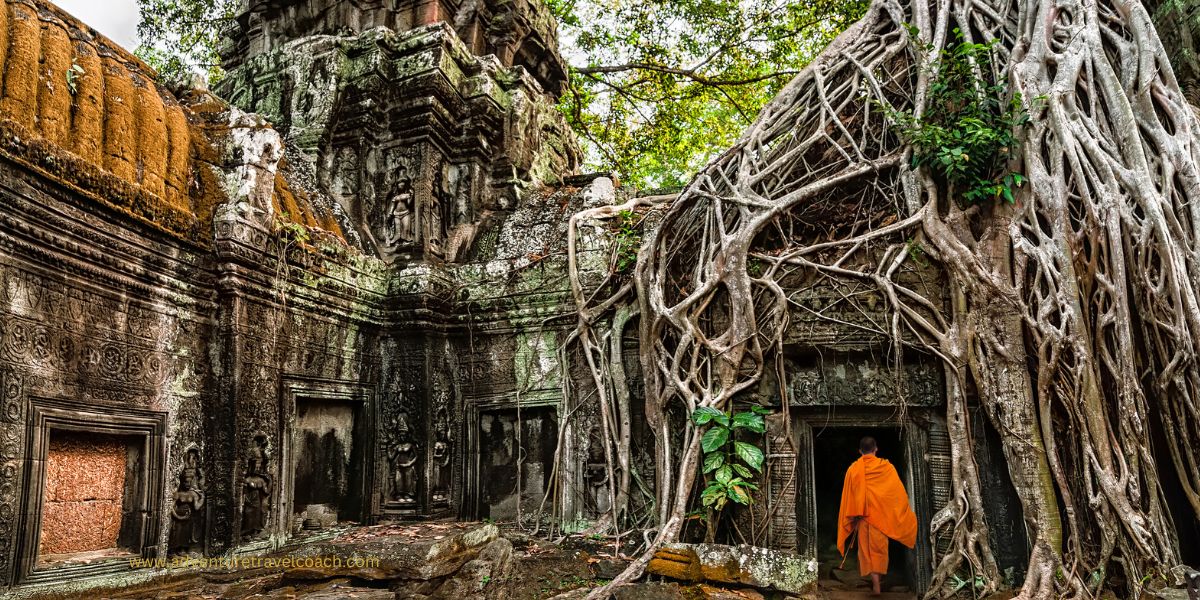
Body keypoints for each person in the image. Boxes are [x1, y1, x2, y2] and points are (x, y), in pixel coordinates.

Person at [837, 436, 918, 596]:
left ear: (860, 451)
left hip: (863, 519)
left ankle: (875, 584)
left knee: (867, 552)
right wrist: (896, 511)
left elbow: (849, 496)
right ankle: (877, 584)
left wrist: (852, 516)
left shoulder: (853, 469)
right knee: (879, 551)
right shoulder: (886, 468)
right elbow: (897, 494)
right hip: (881, 519)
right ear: (876, 449)